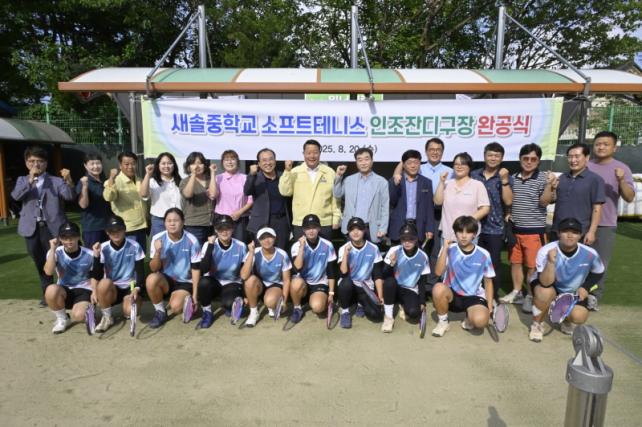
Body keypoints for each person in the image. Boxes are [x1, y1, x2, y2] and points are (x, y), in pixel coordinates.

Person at [11, 146, 75, 306]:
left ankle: (67, 291)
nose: (36, 164)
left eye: (39, 161)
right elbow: (16, 196)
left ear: (46, 163)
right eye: (32, 161)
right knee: (39, 260)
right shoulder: (22, 180)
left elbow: (69, 196)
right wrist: (30, 181)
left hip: (52, 226)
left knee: (59, 259)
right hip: (31, 227)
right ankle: (47, 293)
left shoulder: (56, 181)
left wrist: (68, 180)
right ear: (26, 163)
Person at [528, 218, 605, 342]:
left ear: (580, 235)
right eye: (565, 231)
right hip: (550, 286)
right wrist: (551, 262)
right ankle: (537, 324)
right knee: (544, 292)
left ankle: (564, 317)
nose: (570, 235)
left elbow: (599, 272)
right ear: (559, 233)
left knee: (579, 316)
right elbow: (545, 283)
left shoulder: (590, 253)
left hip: (572, 290)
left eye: (574, 232)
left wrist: (585, 287)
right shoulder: (546, 251)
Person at [501, 144, 556, 313]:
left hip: (534, 231)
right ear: (520, 159)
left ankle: (531, 295)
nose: (529, 162)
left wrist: (549, 185)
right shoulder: (513, 178)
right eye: (526, 158)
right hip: (515, 230)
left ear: (538, 161)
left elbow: (544, 202)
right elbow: (510, 200)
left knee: (532, 266)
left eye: (533, 159)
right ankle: (517, 292)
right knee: (515, 263)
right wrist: (508, 213)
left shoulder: (544, 179)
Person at [394, 138, 453, 287]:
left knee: (433, 251)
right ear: (426, 152)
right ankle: (404, 283)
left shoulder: (450, 171)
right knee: (408, 252)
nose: (435, 152)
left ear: (443, 152)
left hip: (439, 215)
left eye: (438, 150)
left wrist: (429, 227)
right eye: (431, 149)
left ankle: (429, 285)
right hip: (417, 215)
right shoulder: (419, 168)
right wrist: (398, 171)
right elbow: (402, 171)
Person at [587, 131, 635, 310]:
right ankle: (576, 294)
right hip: (583, 222)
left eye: (605, 144)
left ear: (614, 148)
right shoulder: (586, 165)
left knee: (600, 263)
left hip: (606, 224)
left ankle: (594, 296)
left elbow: (629, 197)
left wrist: (621, 180)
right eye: (598, 144)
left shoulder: (622, 169)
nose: (601, 147)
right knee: (579, 261)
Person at [431, 216, 495, 337]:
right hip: (453, 295)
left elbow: (488, 282)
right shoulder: (449, 249)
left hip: (473, 296)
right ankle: (443, 322)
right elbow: (438, 272)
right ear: (455, 233)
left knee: (481, 322)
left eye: (468, 232)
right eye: (460, 231)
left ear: (474, 234)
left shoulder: (484, 254)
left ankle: (470, 317)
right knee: (438, 288)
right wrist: (445, 249)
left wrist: (490, 306)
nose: (464, 236)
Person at [145, 208, 202, 328]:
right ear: (164, 223)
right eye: (169, 221)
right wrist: (157, 252)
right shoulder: (157, 238)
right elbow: (154, 268)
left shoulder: (192, 240)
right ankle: (160, 312)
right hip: (165, 280)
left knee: (176, 307)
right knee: (151, 279)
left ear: (183, 222)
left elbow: (196, 269)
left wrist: (195, 296)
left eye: (176, 220)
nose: (172, 223)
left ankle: (189, 301)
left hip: (185, 282)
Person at [471, 142, 513, 302]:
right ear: (484, 156)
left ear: (502, 158)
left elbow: (508, 201)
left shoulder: (505, 177)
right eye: (490, 155)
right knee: (474, 263)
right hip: (474, 227)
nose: (493, 158)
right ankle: (475, 295)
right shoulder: (474, 175)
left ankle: (492, 297)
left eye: (497, 156)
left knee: (493, 264)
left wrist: (504, 180)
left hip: (494, 228)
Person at [91, 215, 145, 333]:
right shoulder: (103, 248)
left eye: (119, 230)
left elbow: (140, 271)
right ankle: (107, 317)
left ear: (124, 229)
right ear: (107, 232)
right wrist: (96, 256)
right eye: (112, 231)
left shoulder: (135, 246)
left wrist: (137, 288)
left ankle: (127, 304)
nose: (116, 233)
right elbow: (97, 275)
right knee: (104, 283)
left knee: (129, 312)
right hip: (112, 287)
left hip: (130, 286)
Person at [279, 139, 341, 241]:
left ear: (320, 153)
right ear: (303, 154)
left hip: (324, 223)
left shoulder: (329, 172)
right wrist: (287, 171)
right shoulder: (294, 171)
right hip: (301, 223)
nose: (312, 156)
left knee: (324, 250)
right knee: (301, 250)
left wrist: (336, 218)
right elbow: (285, 192)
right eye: (308, 153)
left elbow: (335, 198)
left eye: (315, 153)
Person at [197, 215, 249, 328]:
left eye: (227, 228)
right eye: (220, 229)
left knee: (229, 304)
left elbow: (244, 272)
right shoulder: (208, 244)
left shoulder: (241, 246)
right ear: (216, 230)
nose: (224, 232)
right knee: (203, 282)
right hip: (214, 282)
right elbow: (204, 269)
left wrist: (245, 295)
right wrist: (211, 245)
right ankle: (207, 312)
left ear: (233, 229)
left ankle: (230, 303)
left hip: (232, 282)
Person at [43, 222, 94, 334]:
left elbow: (96, 276)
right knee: (50, 290)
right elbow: (48, 272)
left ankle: (90, 310)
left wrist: (95, 292)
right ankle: (63, 319)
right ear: (60, 239)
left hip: (84, 290)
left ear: (78, 237)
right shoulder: (55, 252)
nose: (69, 240)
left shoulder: (90, 254)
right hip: (64, 290)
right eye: (65, 237)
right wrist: (52, 249)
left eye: (72, 236)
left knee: (79, 316)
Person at [552, 142, 605, 245]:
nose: (573, 160)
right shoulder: (562, 178)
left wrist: (591, 232)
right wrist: (552, 188)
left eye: (577, 156)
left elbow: (597, 208)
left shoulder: (595, 180)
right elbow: (553, 199)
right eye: (570, 157)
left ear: (587, 158)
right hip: (558, 231)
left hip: (580, 233)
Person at [381, 223, 430, 333]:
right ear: (400, 239)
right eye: (404, 239)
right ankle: (388, 317)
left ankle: (402, 305)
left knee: (414, 313)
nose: (407, 242)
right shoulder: (394, 250)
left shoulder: (423, 256)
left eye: (411, 239)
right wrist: (391, 264)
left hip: (410, 289)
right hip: (394, 287)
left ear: (416, 239)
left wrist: (422, 301)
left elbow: (422, 281)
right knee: (389, 282)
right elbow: (384, 275)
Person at [333, 147, 389, 243]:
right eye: (360, 160)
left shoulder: (382, 182)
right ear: (356, 162)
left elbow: (385, 208)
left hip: (371, 228)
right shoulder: (348, 180)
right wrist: (338, 176)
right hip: (351, 227)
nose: (363, 163)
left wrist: (383, 228)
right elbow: (337, 194)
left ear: (372, 161)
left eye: (366, 159)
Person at [289, 214, 338, 324]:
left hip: (319, 283)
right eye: (308, 228)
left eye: (314, 227)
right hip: (302, 283)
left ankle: (314, 300)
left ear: (319, 228)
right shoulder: (296, 246)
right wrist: (302, 247)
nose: (311, 231)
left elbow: (331, 271)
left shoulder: (328, 245)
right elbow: (297, 267)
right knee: (296, 283)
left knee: (318, 307)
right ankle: (297, 308)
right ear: (303, 230)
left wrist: (331, 293)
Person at [336, 217, 384, 329]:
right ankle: (345, 312)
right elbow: (343, 273)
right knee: (345, 283)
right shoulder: (343, 248)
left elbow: (378, 275)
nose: (355, 232)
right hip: (349, 286)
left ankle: (360, 303)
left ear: (364, 230)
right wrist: (346, 254)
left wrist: (380, 296)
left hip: (365, 287)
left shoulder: (373, 248)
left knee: (376, 316)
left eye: (359, 229)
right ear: (348, 232)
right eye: (352, 229)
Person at [434, 152, 490, 244]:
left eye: (463, 164)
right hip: (448, 236)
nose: (459, 167)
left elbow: (485, 208)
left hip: (468, 234)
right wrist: (441, 182)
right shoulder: (447, 184)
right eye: (456, 164)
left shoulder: (477, 185)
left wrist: (467, 222)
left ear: (469, 167)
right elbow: (437, 202)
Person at [240, 227, 292, 327]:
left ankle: (271, 305)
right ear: (258, 240)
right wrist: (251, 253)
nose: (266, 240)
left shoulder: (282, 254)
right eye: (263, 238)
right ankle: (254, 312)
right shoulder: (254, 252)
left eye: (269, 237)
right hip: (259, 285)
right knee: (250, 280)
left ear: (275, 238)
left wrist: (284, 302)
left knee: (270, 302)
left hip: (275, 285)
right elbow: (243, 275)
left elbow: (286, 280)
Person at [244, 148, 291, 249]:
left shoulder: (283, 176)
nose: (268, 163)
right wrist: (251, 175)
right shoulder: (255, 178)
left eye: (270, 159)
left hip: (281, 222)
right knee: (262, 253)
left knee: (281, 252)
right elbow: (247, 191)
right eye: (264, 160)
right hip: (261, 222)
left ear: (275, 161)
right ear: (259, 164)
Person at [388, 149, 435, 245]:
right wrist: (395, 185)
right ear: (403, 165)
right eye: (409, 163)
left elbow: (429, 208)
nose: (413, 166)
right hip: (398, 227)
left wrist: (430, 228)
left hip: (418, 227)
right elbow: (392, 202)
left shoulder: (426, 182)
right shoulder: (395, 181)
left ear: (420, 164)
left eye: (416, 162)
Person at [103, 151, 147, 250]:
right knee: (129, 255)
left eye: (133, 164)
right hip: (127, 228)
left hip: (142, 225)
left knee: (141, 254)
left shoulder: (140, 180)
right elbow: (108, 197)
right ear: (120, 165)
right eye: (126, 164)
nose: (130, 167)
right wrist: (111, 178)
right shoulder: (115, 181)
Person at [212, 149, 253, 242]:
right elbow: (212, 195)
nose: (230, 162)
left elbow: (250, 200)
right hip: (221, 218)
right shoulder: (218, 178)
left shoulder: (245, 178)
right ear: (222, 163)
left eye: (232, 159)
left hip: (241, 219)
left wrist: (240, 212)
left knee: (240, 244)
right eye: (226, 160)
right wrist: (212, 173)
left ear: (237, 162)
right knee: (221, 245)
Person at [139, 152, 182, 238]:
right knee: (159, 244)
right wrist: (148, 174)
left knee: (177, 244)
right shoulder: (153, 182)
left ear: (174, 165)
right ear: (158, 165)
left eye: (169, 163)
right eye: (163, 163)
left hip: (177, 220)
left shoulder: (181, 181)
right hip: (159, 221)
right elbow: (143, 194)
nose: (166, 166)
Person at [180, 151, 215, 246]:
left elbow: (213, 195)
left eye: (200, 163)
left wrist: (212, 173)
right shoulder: (185, 181)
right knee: (196, 252)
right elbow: (188, 194)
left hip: (211, 225)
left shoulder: (210, 179)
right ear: (188, 167)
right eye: (193, 164)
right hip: (193, 225)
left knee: (209, 252)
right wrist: (193, 175)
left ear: (205, 165)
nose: (197, 166)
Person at [76, 153, 111, 248]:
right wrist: (85, 187)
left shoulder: (105, 181)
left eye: (98, 163)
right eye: (92, 164)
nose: (96, 166)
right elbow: (83, 205)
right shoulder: (83, 182)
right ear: (85, 166)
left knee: (108, 253)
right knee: (94, 254)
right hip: (92, 227)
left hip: (108, 225)